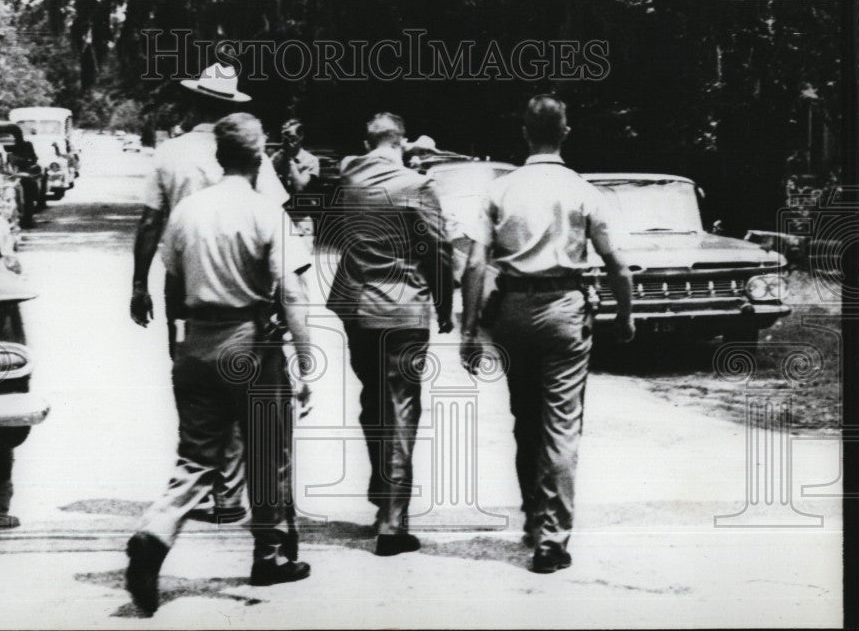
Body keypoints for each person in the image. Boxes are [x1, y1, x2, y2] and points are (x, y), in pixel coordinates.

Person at [126, 114, 314, 614]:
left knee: (195, 457)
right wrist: (305, 356)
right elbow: (291, 292)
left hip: (197, 343)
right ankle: (269, 554)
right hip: (250, 342)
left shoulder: (187, 212)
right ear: (258, 158)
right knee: (268, 450)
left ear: (217, 156)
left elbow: (173, 271)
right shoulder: (264, 211)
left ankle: (155, 531)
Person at [459, 95, 634, 574]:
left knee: (525, 417)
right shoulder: (583, 191)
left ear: (524, 132)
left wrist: (469, 330)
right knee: (561, 425)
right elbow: (616, 263)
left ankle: (534, 517)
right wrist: (625, 315)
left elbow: (475, 263)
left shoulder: (501, 190)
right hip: (565, 310)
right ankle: (552, 540)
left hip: (513, 310)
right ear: (566, 132)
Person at [130, 63, 288, 525]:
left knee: (197, 381)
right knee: (240, 385)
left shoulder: (169, 153)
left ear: (196, 103)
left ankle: (201, 483)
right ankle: (228, 493)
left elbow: (149, 222)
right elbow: (276, 211)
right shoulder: (243, 150)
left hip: (183, 280)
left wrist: (139, 284)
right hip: (242, 276)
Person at [327, 112, 454, 556]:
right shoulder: (416, 186)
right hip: (403, 309)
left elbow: (352, 163)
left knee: (373, 399)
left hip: (355, 308)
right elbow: (438, 250)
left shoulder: (348, 173)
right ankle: (392, 522)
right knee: (402, 406)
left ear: (368, 141)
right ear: (402, 143)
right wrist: (446, 305)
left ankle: (383, 489)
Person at [271, 118, 321, 240]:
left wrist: (289, 160)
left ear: (301, 136)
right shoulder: (275, 159)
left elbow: (300, 188)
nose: (287, 141)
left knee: (302, 258)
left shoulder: (311, 161)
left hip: (301, 219)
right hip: (279, 218)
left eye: (291, 137)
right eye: (284, 137)